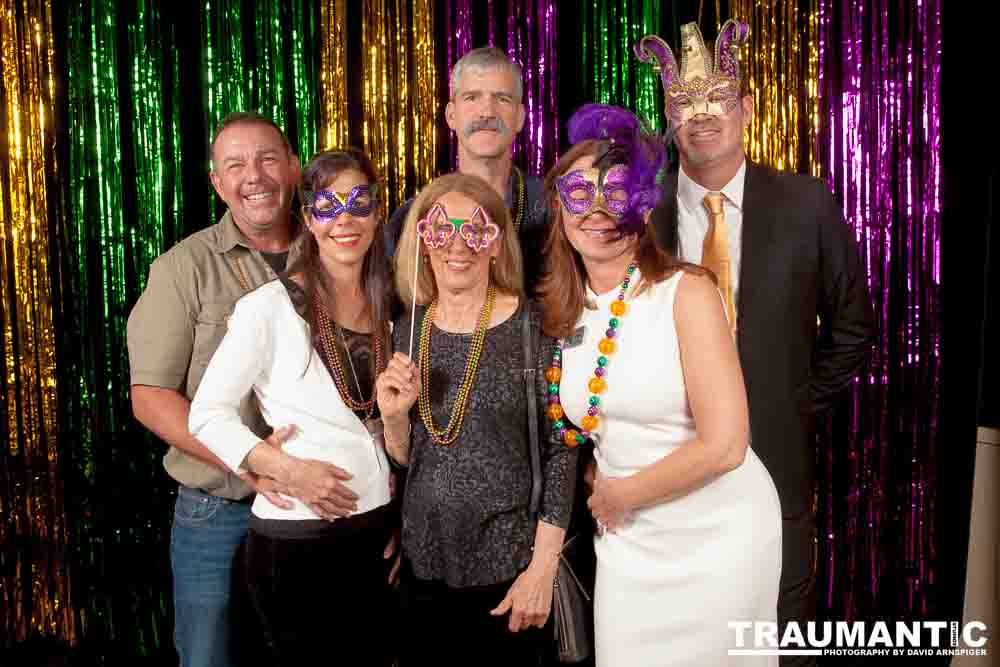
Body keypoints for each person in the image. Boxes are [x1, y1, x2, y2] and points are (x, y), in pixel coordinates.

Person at [637, 20, 875, 666]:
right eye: (685, 103)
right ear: (667, 115)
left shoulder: (807, 204)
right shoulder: (639, 219)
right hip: (666, 490)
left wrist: (791, 405)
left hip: (775, 477)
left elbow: (852, 330)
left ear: (746, 108)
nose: (702, 116)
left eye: (718, 99)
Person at [537, 103, 782, 666]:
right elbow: (595, 420)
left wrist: (622, 493)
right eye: (579, 194)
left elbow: (725, 444)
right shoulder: (565, 312)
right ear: (559, 209)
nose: (598, 210)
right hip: (630, 545)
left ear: (645, 206)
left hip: (718, 537)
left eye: (617, 192)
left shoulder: (687, 293)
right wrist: (607, 476)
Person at [126, 114, 371, 667]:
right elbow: (150, 396)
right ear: (217, 182)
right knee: (212, 655)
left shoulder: (341, 247)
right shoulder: (183, 269)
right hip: (221, 509)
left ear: (292, 167)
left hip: (329, 506)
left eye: (266, 159)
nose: (253, 176)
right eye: (235, 165)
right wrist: (252, 463)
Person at [187, 148, 396, 664]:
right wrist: (281, 467)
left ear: (377, 212)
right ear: (308, 218)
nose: (344, 219)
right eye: (327, 205)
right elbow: (207, 414)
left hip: (375, 537)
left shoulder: (394, 303)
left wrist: (401, 520)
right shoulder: (266, 309)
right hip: (297, 541)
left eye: (358, 202)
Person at [375, 172, 577, 666]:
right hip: (425, 570)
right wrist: (394, 417)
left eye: (475, 231)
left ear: (496, 244)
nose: (457, 246)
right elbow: (406, 456)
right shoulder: (407, 328)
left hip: (510, 572)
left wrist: (542, 570)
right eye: (442, 231)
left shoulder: (534, 327)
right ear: (424, 243)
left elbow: (562, 451)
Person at [383, 47, 548, 295]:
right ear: (451, 115)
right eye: (472, 98)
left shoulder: (551, 207)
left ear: (521, 117)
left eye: (502, 98)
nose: (487, 112)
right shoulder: (414, 216)